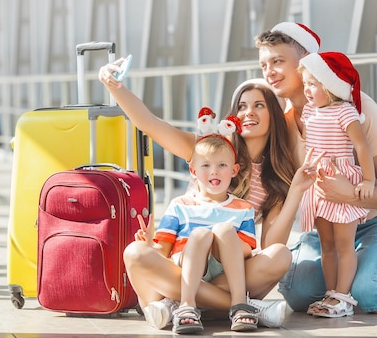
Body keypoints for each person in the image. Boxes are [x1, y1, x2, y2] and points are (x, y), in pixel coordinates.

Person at [97, 64, 305, 328]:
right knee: (136, 252)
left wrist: (296, 191)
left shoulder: (275, 178)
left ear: (274, 115)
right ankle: (241, 307)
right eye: (241, 106)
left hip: (228, 272)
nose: (248, 112)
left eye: (259, 105)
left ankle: (180, 303)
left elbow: (269, 244)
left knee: (280, 254)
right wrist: (115, 87)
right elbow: (151, 124)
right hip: (187, 262)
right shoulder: (207, 146)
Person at [254, 22, 377, 314]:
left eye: (278, 61)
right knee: (297, 292)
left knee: (371, 294)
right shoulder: (284, 124)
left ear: (305, 63)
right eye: (264, 64)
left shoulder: (356, 108)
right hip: (329, 222)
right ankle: (353, 280)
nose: (269, 72)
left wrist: (351, 194)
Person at [137, 127, 260, 333]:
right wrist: (149, 244)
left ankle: (239, 304)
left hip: (224, 267)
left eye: (222, 165)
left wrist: (221, 238)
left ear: (234, 170)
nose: (214, 171)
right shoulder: (179, 205)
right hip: (186, 263)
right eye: (206, 165)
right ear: (193, 171)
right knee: (201, 234)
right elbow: (164, 250)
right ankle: (187, 305)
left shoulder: (244, 208)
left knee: (224, 230)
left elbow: (247, 250)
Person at [297, 51, 374, 317]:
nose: (307, 89)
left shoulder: (345, 111)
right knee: (325, 244)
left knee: (344, 244)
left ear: (330, 86)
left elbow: (361, 147)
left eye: (313, 84)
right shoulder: (308, 111)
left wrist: (369, 179)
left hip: (340, 180)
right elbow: (308, 145)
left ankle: (343, 295)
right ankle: (331, 294)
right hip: (318, 183)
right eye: (305, 83)